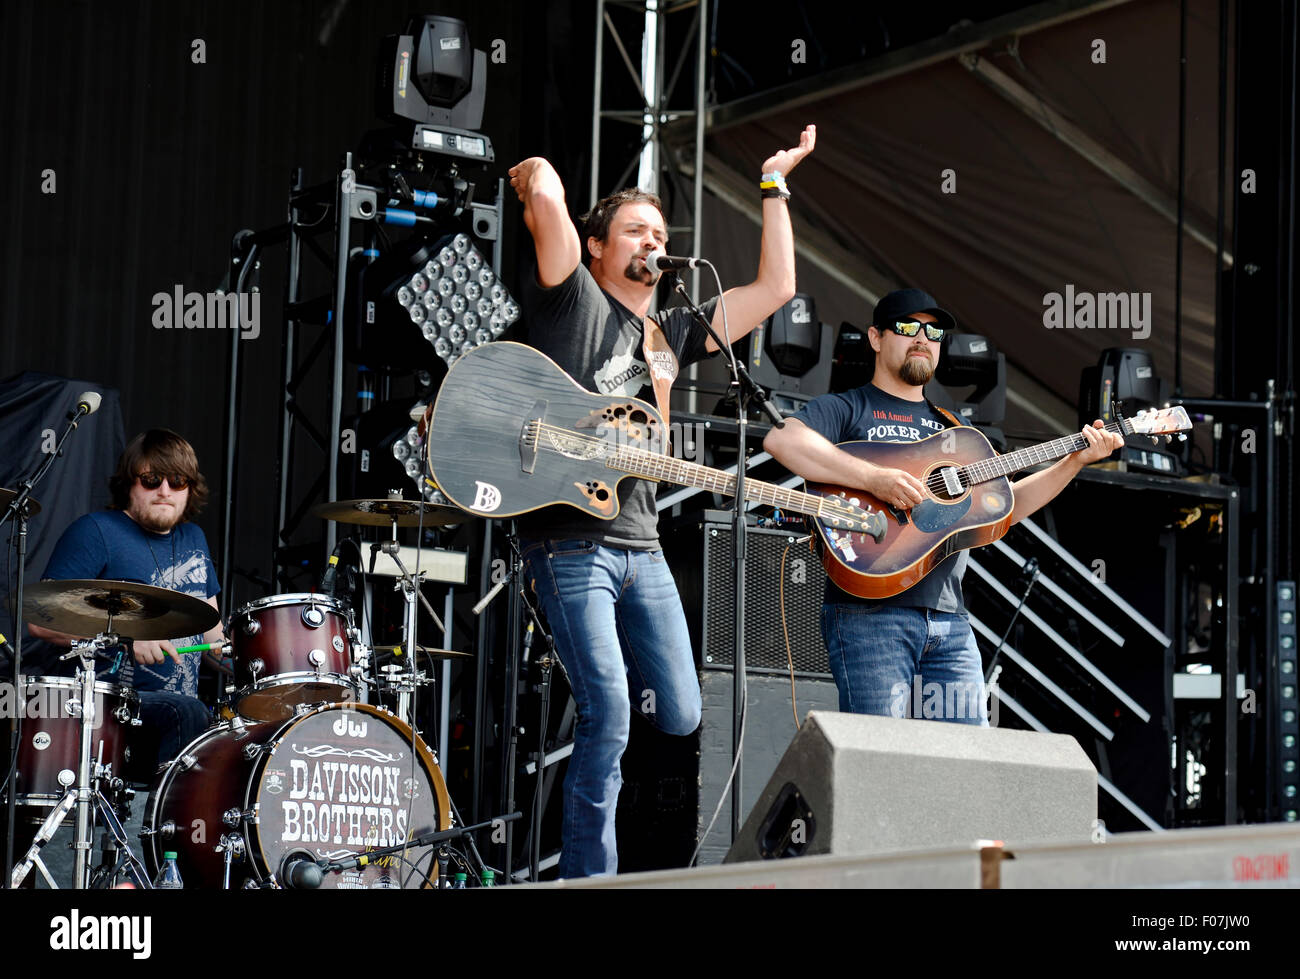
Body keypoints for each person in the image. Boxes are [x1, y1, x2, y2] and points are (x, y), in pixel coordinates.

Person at [506, 124, 816, 877]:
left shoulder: (673, 332)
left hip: (641, 546)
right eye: (636, 231)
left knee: (680, 712)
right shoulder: (571, 295)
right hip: (570, 541)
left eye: (661, 233)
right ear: (602, 246)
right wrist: (539, 172)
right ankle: (590, 875)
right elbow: (547, 202)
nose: (652, 241)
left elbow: (777, 289)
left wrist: (773, 185)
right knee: (609, 714)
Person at [763, 288, 1122, 726]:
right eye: (909, 327)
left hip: (951, 622)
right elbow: (782, 440)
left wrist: (1075, 460)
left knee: (962, 772)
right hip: (869, 613)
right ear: (876, 338)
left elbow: (1008, 507)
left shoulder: (959, 434)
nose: (923, 338)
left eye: (933, 332)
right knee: (880, 764)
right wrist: (875, 479)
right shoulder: (845, 408)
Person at [26, 429, 224, 766]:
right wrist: (126, 637)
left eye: (177, 481)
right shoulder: (96, 530)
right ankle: (161, 817)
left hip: (177, 710)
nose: (164, 491)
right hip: (107, 703)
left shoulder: (194, 537)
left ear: (190, 489)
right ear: (129, 484)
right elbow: (41, 622)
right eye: (151, 480)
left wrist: (262, 665)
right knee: (189, 712)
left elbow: (213, 633)